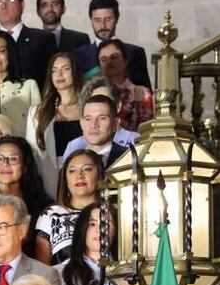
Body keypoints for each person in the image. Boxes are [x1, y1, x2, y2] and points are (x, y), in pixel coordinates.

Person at [25, 52, 84, 196]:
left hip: (83, 175)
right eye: (54, 70)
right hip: (51, 180)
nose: (59, 74)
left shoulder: (88, 107)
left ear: (75, 72)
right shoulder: (37, 112)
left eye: (65, 69)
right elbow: (33, 151)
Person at [34, 149, 104, 264]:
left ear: (99, 175)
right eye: (72, 171)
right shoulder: (51, 214)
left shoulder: (111, 214)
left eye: (87, 169)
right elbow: (43, 269)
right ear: (65, 179)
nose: (79, 176)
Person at [73, 0, 151, 89]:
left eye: (108, 19)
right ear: (91, 21)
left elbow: (146, 94)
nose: (102, 25)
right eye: (97, 20)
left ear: (117, 18)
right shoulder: (78, 55)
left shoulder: (135, 52)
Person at [0, 31, 41, 136]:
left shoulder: (29, 86)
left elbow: (39, 127)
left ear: (10, 54)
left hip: (21, 149)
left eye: (1, 51)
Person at [63, 76, 139, 155]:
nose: (98, 106)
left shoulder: (135, 140)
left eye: (104, 100)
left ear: (118, 106)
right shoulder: (74, 146)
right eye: (95, 100)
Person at [0, 0, 57, 87]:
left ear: (22, 5)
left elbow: (52, 79)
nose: (3, 6)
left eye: (10, 0)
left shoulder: (43, 39)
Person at [98, 38, 154, 130]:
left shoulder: (141, 92)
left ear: (125, 60)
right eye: (103, 59)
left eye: (114, 57)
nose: (108, 62)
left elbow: (147, 129)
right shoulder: (93, 92)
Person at [79, 94, 128, 169]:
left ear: (115, 123)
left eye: (102, 118)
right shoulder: (73, 161)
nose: (93, 124)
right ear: (81, 123)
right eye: (88, 119)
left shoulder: (129, 158)